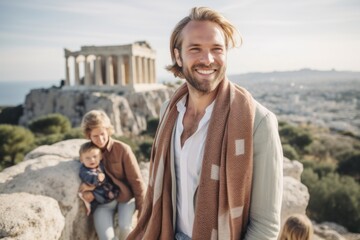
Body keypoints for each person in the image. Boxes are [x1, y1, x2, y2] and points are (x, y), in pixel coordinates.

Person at [128, 6, 283, 240]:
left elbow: (265, 226)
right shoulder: (169, 112)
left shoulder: (259, 122)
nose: (207, 59)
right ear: (178, 56)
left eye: (217, 49)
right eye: (195, 49)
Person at [79, 110, 146, 240]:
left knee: (125, 227)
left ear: (108, 131)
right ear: (88, 135)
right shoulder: (88, 152)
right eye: (95, 136)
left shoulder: (122, 149)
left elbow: (137, 181)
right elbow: (85, 171)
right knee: (107, 238)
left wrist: (142, 212)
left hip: (126, 198)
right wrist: (88, 187)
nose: (100, 139)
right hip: (103, 202)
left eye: (102, 134)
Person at [78, 141, 120, 216]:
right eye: (87, 158)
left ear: (100, 157)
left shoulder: (101, 165)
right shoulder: (85, 170)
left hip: (114, 196)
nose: (92, 160)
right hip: (101, 201)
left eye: (95, 156)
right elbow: (88, 177)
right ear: (81, 159)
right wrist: (97, 178)